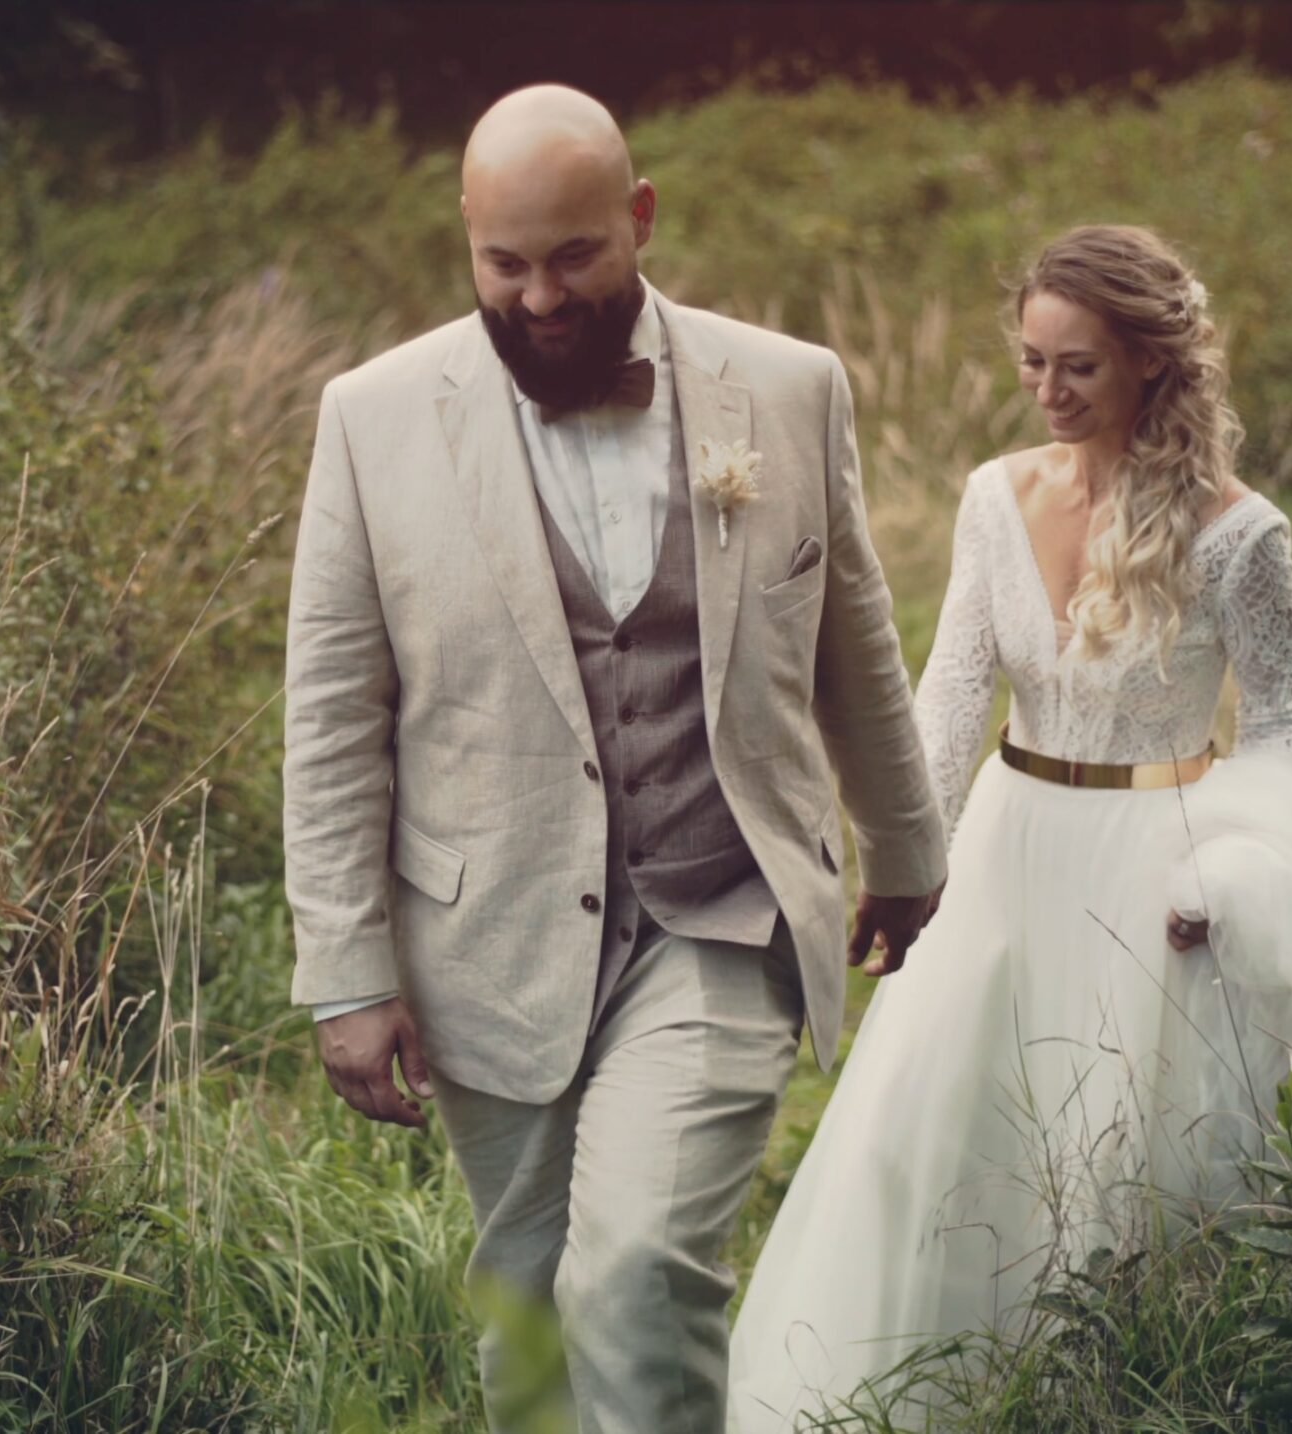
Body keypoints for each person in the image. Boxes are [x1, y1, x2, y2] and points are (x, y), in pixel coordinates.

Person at [726, 225, 1292, 1430]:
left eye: (1075, 366)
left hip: (1161, 865)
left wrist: (1223, 874)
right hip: (1008, 847)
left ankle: (1141, 1388)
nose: (1047, 391)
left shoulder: (1242, 534)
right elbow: (953, 689)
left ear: (1148, 362)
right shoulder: (993, 495)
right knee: (937, 1128)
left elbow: (1278, 727)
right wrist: (901, 858)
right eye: (1030, 362)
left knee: (1134, 1158)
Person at [280, 85, 949, 1430]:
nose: (538, 295)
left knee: (638, 1269)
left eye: (574, 254)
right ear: (466, 241)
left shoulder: (787, 387)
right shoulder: (373, 417)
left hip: (717, 904)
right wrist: (345, 965)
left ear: (638, 218)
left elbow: (851, 633)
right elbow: (333, 709)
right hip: (491, 927)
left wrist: (909, 845)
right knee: (525, 1296)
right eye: (503, 263)